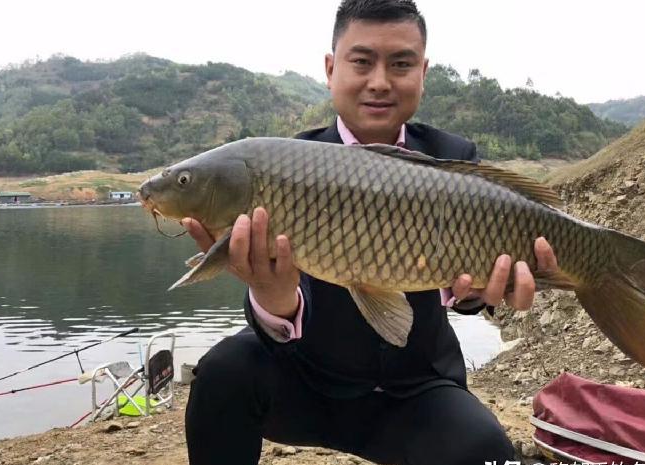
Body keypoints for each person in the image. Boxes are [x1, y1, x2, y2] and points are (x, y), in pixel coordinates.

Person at [183, 1, 558, 464]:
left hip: (418, 389)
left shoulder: (451, 158)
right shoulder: (287, 165)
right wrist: (273, 295)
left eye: (400, 64)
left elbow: (467, 286)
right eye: (361, 62)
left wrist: (479, 293)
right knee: (223, 373)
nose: (380, 81)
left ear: (422, 73)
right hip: (308, 381)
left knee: (488, 452)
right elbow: (274, 318)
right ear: (330, 68)